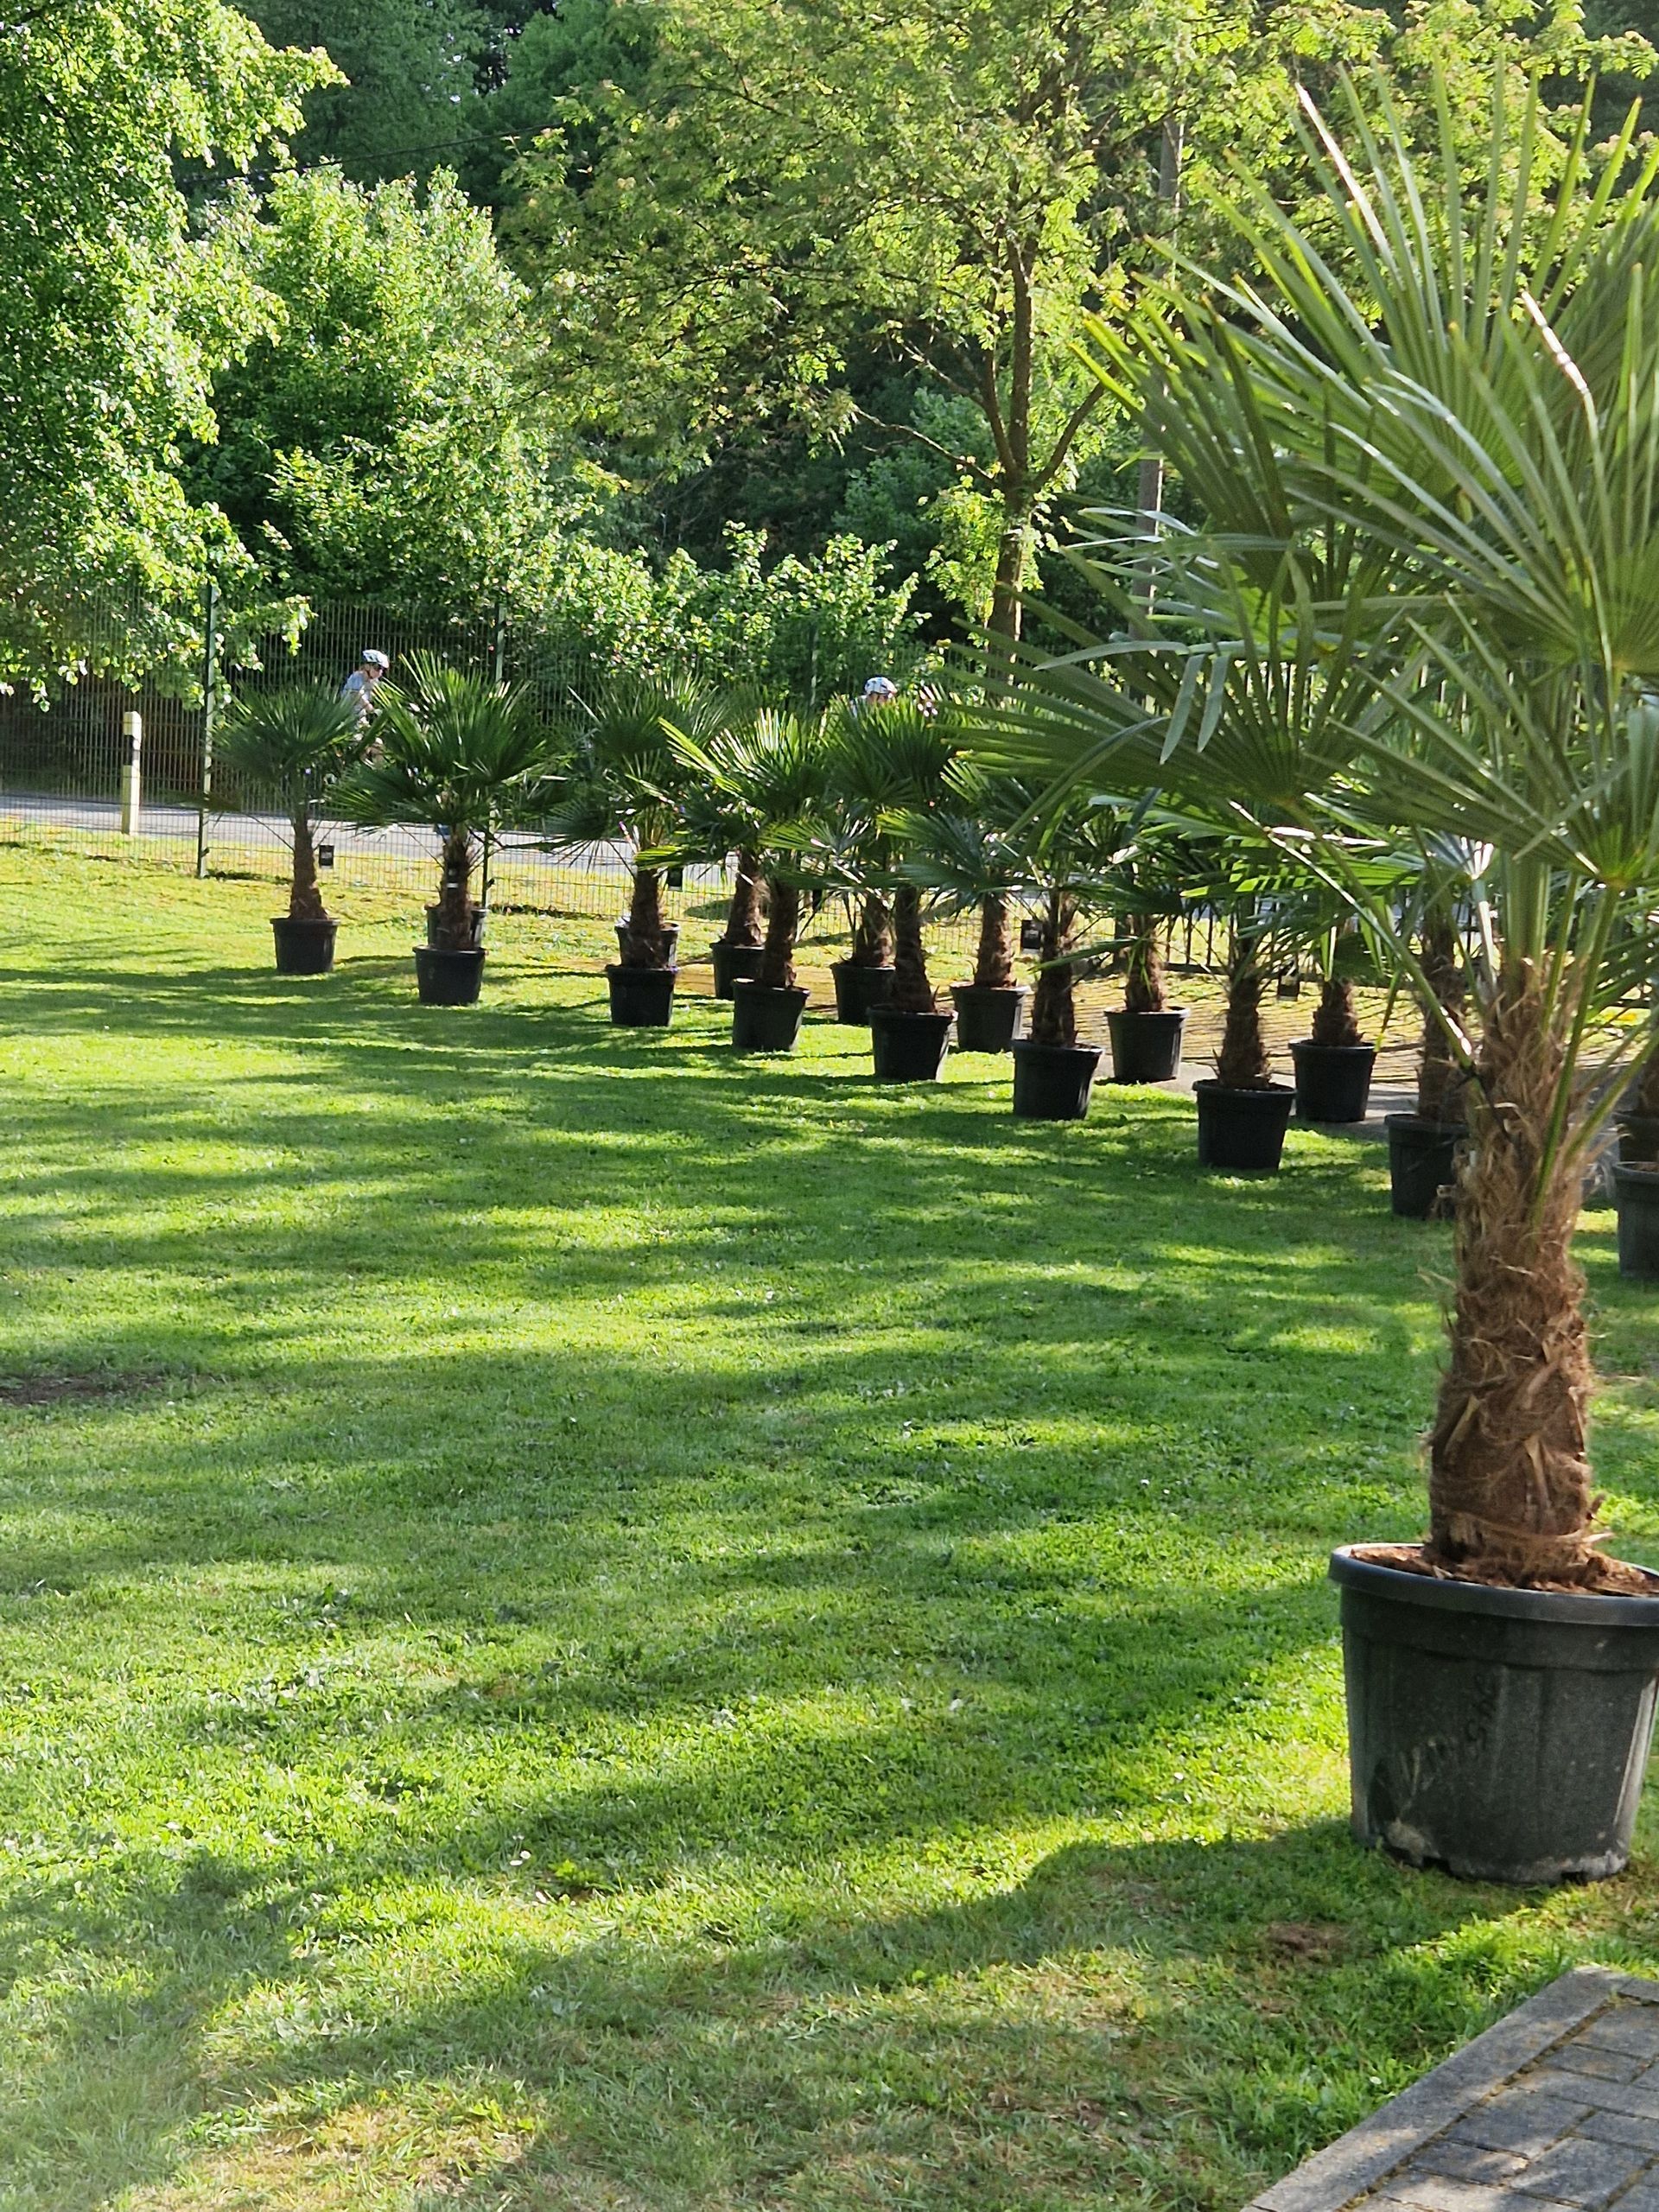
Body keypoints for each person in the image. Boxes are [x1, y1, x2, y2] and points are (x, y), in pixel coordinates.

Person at [340, 648, 391, 723]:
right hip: (348, 715)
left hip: (360, 715)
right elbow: (356, 694)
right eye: (377, 668)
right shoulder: (357, 677)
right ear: (367, 666)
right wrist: (369, 707)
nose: (380, 672)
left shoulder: (374, 682)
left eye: (382, 669)